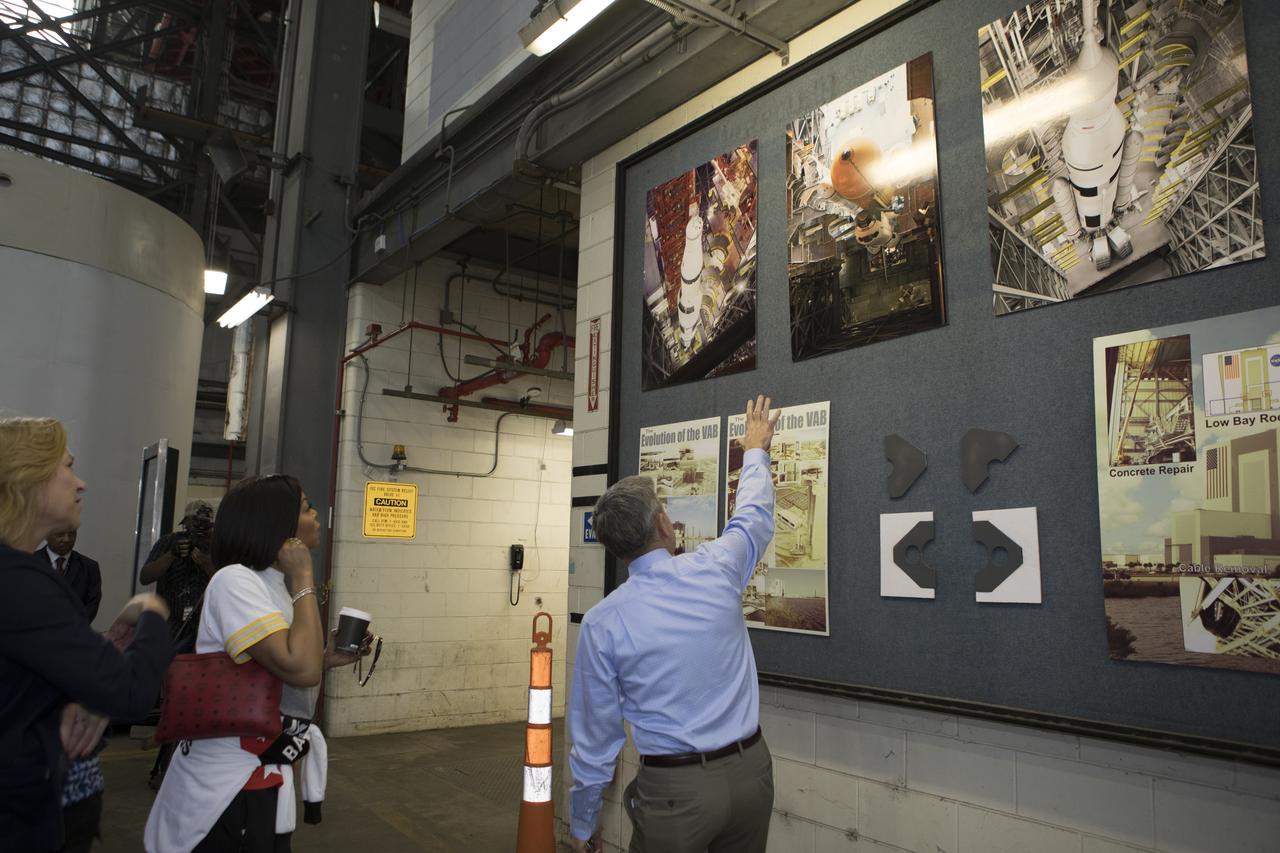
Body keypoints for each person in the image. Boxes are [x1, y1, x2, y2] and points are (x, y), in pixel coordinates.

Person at [569, 395, 782, 853]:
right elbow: (754, 517)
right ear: (664, 525)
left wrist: (583, 824)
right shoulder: (716, 568)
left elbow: (595, 741)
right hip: (752, 778)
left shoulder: (603, 624)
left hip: (674, 794)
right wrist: (756, 449)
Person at [145, 474, 365, 853]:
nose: (315, 516)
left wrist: (325, 658)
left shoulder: (274, 585)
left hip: (264, 772)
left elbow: (282, 666)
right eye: (307, 508)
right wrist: (304, 577)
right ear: (279, 526)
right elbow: (300, 669)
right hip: (227, 786)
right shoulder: (236, 581)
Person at [0, 417, 173, 851]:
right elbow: (130, 693)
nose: (81, 484)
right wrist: (152, 610)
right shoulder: (23, 583)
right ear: (30, 479)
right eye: (67, 467)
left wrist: (79, 688)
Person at [141, 499, 216, 639]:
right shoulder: (169, 541)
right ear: (186, 523)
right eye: (193, 524)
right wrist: (172, 554)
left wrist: (206, 563)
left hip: (205, 626)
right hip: (171, 624)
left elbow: (226, 582)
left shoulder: (217, 545)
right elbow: (145, 577)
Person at [37, 529, 102, 622]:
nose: (67, 539)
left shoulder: (89, 567)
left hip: (74, 632)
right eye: (60, 534)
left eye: (71, 534)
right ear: (46, 535)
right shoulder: (29, 563)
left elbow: (91, 606)